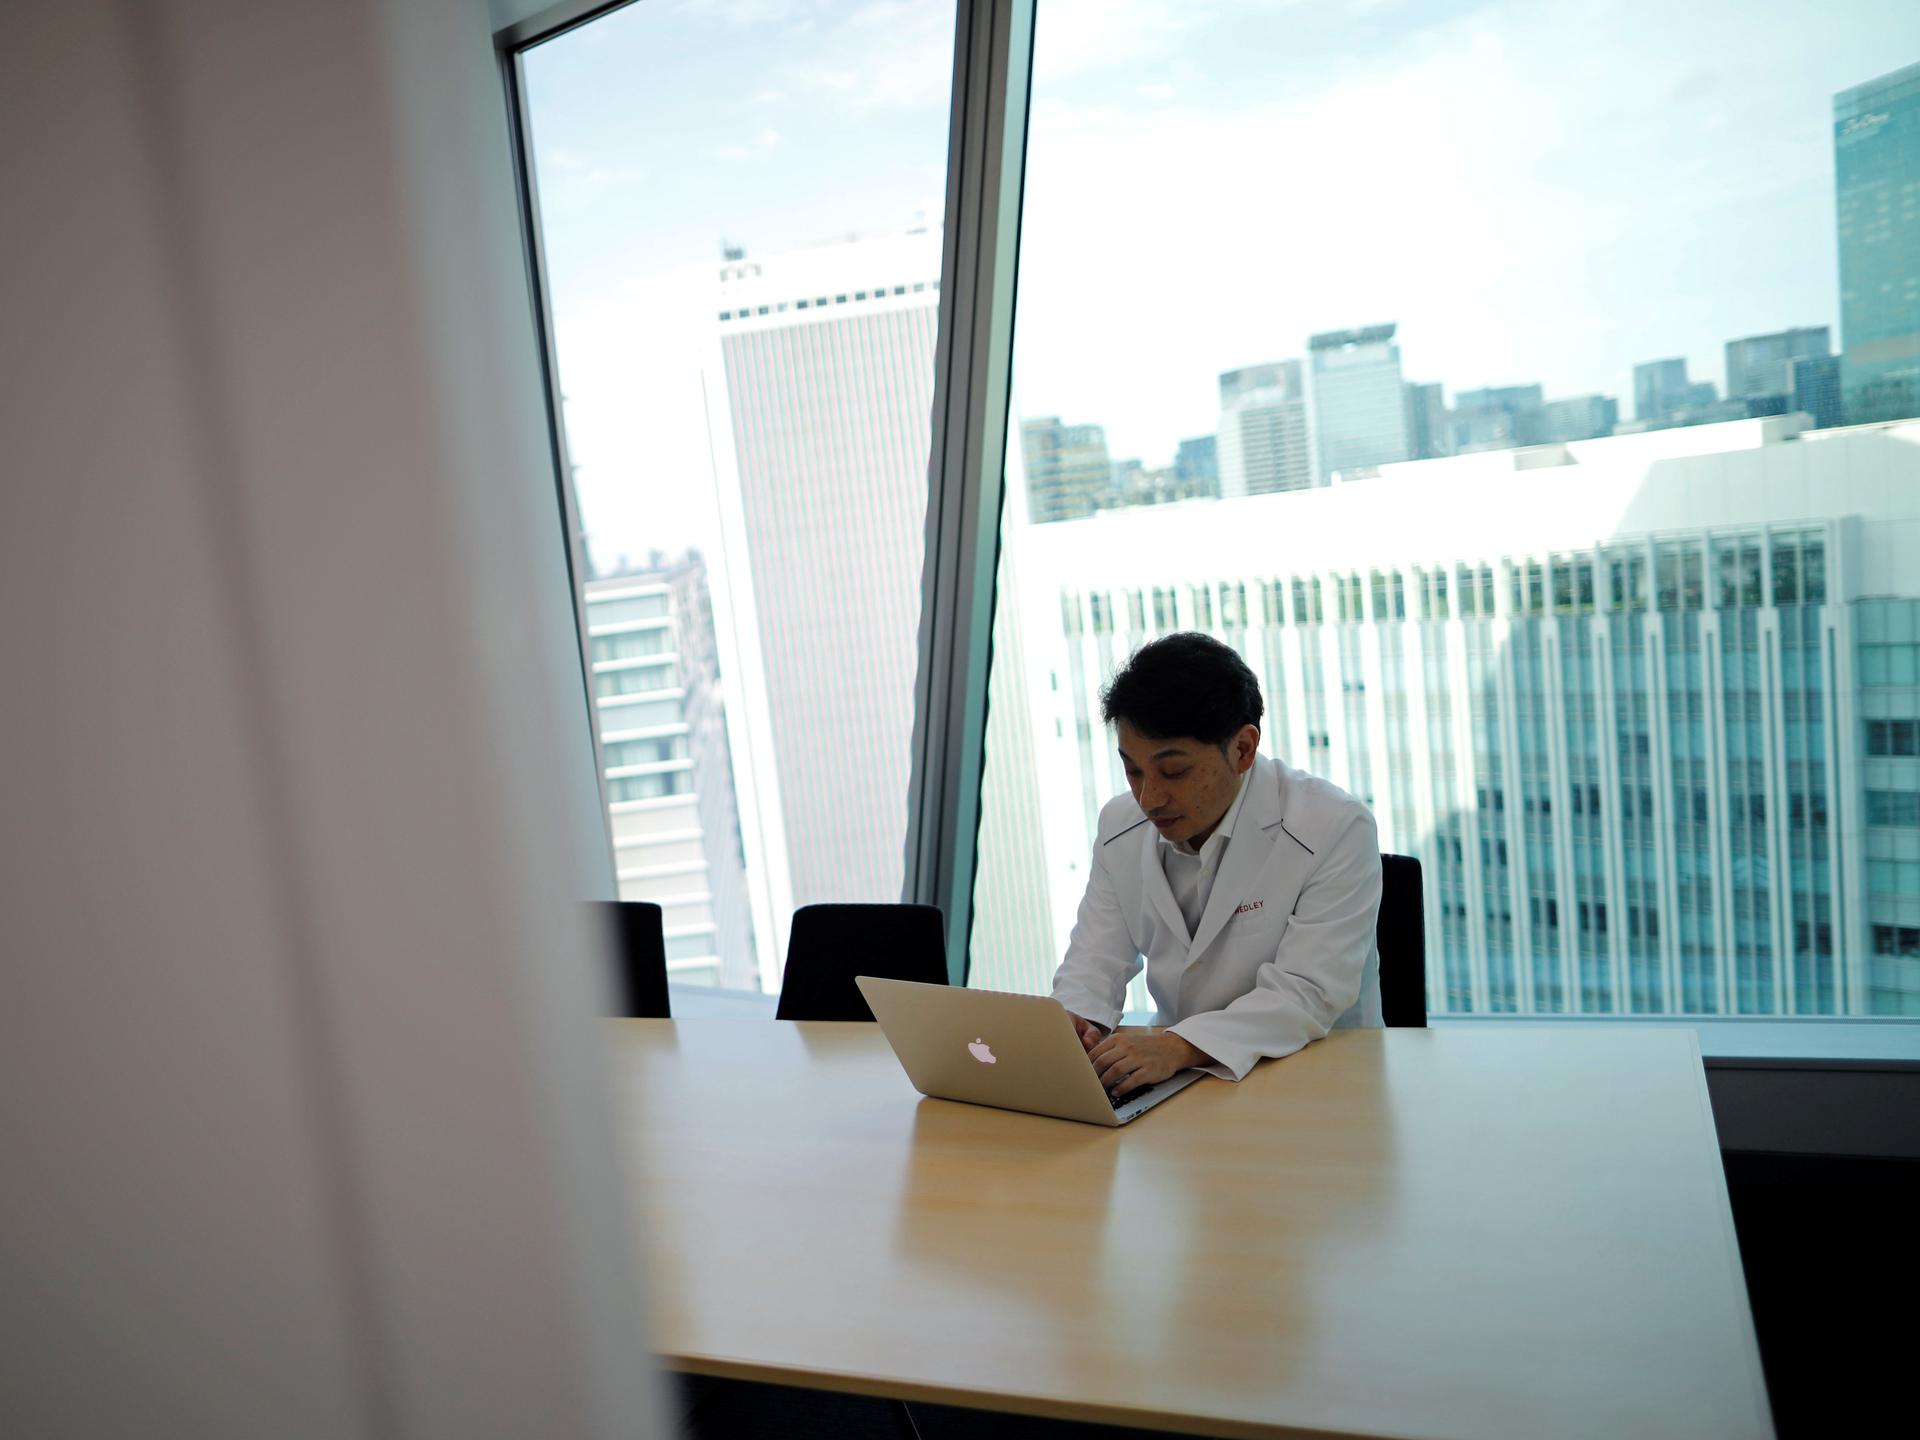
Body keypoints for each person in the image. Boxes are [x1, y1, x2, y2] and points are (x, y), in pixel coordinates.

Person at [1051, 631, 1382, 1099]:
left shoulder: (1334, 826)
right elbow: (1093, 960)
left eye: (1174, 771)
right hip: (1185, 1085)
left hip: (1317, 1083)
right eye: (1133, 770)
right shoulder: (1119, 826)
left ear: (1243, 749)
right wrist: (1076, 1021)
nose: (1149, 798)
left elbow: (1307, 993)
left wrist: (1178, 1047)